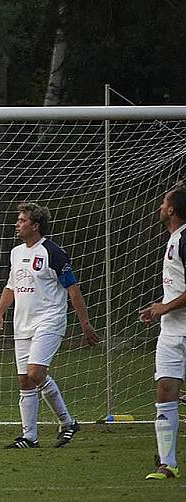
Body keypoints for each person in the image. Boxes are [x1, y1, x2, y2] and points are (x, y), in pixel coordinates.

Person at [0, 203, 99, 449]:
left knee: (35, 373)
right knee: (25, 382)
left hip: (49, 320)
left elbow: (73, 290)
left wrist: (85, 324)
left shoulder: (53, 252)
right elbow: (11, 286)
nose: (17, 224)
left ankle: (67, 421)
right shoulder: (16, 252)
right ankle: (30, 437)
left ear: (35, 226)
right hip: (22, 324)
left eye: (21, 221)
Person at [139, 187, 186, 480]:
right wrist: (158, 309)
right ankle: (167, 464)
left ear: (171, 210)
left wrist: (164, 307)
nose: (159, 206)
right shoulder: (173, 239)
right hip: (170, 333)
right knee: (165, 392)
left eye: (163, 202)